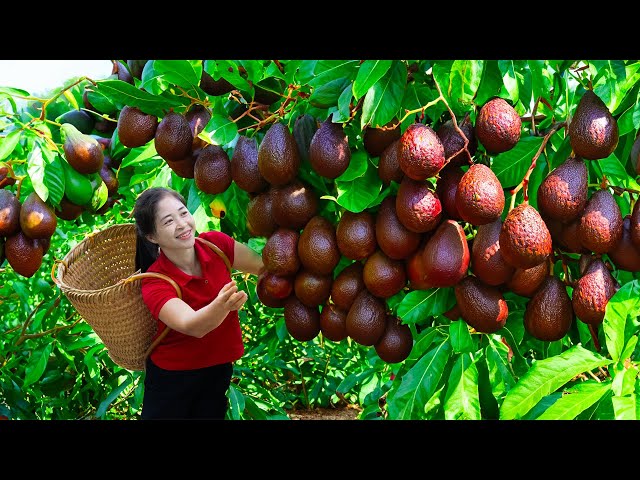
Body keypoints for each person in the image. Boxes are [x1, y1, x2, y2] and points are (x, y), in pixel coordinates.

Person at [133, 186, 264, 420]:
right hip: (172, 380)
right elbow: (193, 326)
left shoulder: (216, 244)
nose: (182, 224)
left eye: (183, 213)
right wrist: (223, 304)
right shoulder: (154, 281)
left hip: (218, 370)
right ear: (152, 237)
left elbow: (263, 266)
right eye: (168, 221)